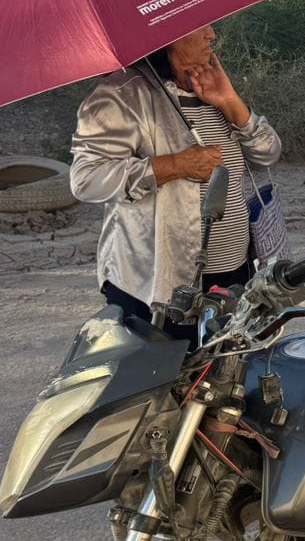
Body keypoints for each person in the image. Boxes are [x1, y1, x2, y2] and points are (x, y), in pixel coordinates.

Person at [70, 21, 282, 328]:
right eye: (200, 26)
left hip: (235, 274)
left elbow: (268, 154)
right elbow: (87, 179)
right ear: (165, 36)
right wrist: (176, 165)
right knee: (169, 361)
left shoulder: (208, 85)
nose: (212, 34)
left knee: (231, 359)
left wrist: (229, 101)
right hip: (158, 286)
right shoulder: (121, 95)